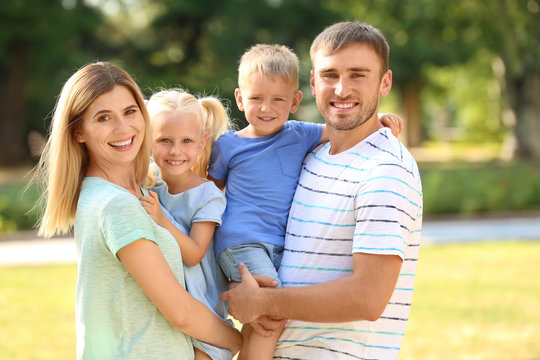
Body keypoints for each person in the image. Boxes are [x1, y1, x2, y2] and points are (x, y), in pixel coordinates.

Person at [220, 22, 423, 360]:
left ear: (385, 82)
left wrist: (262, 301)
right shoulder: (309, 153)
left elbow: (368, 298)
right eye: (330, 75)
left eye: (358, 75)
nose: (342, 89)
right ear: (313, 82)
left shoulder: (386, 172)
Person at [33, 61, 242, 359]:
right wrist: (238, 341)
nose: (123, 128)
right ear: (79, 132)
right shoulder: (117, 205)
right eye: (104, 117)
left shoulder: (138, 194)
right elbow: (181, 312)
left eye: (130, 112)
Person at [140, 88, 235, 360]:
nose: (175, 150)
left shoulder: (207, 196)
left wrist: (161, 220)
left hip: (202, 317)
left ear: (202, 142)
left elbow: (194, 254)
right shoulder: (149, 184)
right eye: (164, 140)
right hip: (166, 313)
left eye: (186, 141)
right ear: (147, 140)